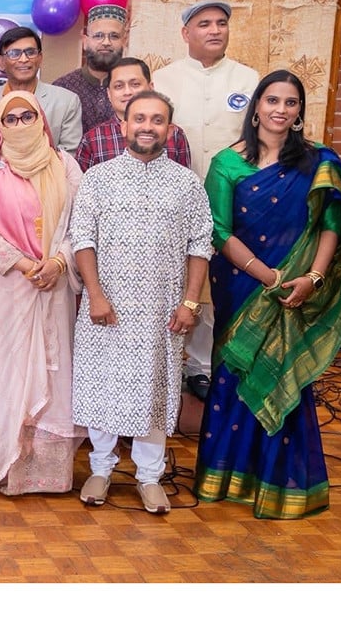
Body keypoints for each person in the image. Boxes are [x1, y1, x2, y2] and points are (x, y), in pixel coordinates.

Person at [193, 70, 341, 519]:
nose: (281, 110)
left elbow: (331, 224)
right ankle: (226, 478)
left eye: (291, 102)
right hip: (244, 285)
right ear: (256, 107)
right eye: (272, 100)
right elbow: (219, 231)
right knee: (235, 374)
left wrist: (312, 279)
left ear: (299, 111)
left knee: (286, 375)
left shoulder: (319, 162)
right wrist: (269, 277)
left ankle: (279, 483)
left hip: (297, 287)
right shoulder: (228, 163)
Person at [70, 90, 213, 515]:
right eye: (140, 118)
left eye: (157, 119)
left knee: (155, 389)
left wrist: (190, 303)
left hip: (161, 310)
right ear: (124, 125)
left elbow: (200, 245)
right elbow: (83, 239)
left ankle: (149, 477)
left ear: (169, 128)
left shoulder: (187, 183)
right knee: (102, 386)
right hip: (106, 308)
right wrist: (96, 295)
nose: (147, 126)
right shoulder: (98, 178)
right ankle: (101, 469)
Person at [0, 91, 83, 495]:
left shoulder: (64, 165)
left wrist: (59, 262)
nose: (19, 125)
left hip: (53, 285)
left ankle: (44, 475)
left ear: (41, 119)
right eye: (9, 119)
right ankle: (0, 466)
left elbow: (80, 223)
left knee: (52, 368)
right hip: (6, 289)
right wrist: (26, 265)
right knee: (4, 372)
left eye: (26, 116)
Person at [153, 0, 260, 400]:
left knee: (216, 280)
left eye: (220, 23)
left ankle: (202, 365)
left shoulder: (248, 79)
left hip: (229, 197)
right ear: (186, 33)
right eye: (204, 24)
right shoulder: (163, 79)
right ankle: (166, 363)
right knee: (173, 277)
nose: (214, 30)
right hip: (173, 195)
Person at [0, 26, 83, 164]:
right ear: (1, 62)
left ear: (40, 58)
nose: (23, 59)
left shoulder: (66, 101)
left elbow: (68, 157)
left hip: (48, 176)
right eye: (14, 53)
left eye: (30, 52)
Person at [75, 57, 191, 172]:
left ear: (151, 88)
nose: (127, 92)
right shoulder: (92, 139)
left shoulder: (174, 134)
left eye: (135, 84)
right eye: (119, 86)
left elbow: (183, 178)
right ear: (109, 94)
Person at [51, 4, 127, 134]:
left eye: (114, 36)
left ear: (124, 42)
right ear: (85, 42)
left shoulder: (133, 88)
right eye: (98, 36)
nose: (106, 42)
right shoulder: (62, 88)